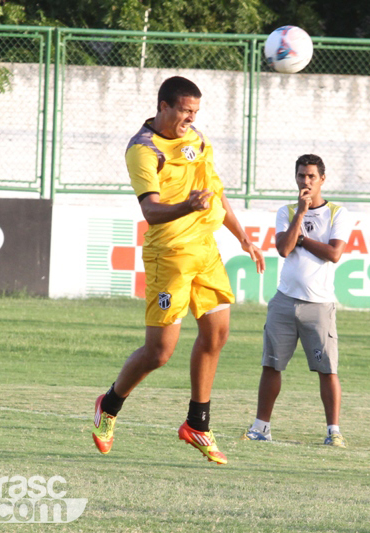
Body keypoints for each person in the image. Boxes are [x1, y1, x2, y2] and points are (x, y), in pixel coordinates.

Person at [92, 76, 265, 465]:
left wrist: (243, 238)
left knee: (217, 334)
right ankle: (109, 404)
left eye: (195, 112)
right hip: (169, 255)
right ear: (164, 106)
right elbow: (150, 211)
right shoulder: (144, 149)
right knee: (159, 352)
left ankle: (197, 424)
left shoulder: (197, 140)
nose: (191, 119)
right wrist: (188, 206)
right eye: (186, 111)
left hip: (205, 250)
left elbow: (215, 193)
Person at [242, 154, 353, 447]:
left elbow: (334, 254)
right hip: (284, 301)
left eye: (311, 176)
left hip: (319, 305)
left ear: (322, 179)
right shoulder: (287, 211)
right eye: (301, 175)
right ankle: (261, 427)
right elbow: (283, 248)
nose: (306, 181)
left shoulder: (338, 213)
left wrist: (303, 240)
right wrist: (300, 216)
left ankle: (333, 431)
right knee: (271, 365)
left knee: (327, 369)